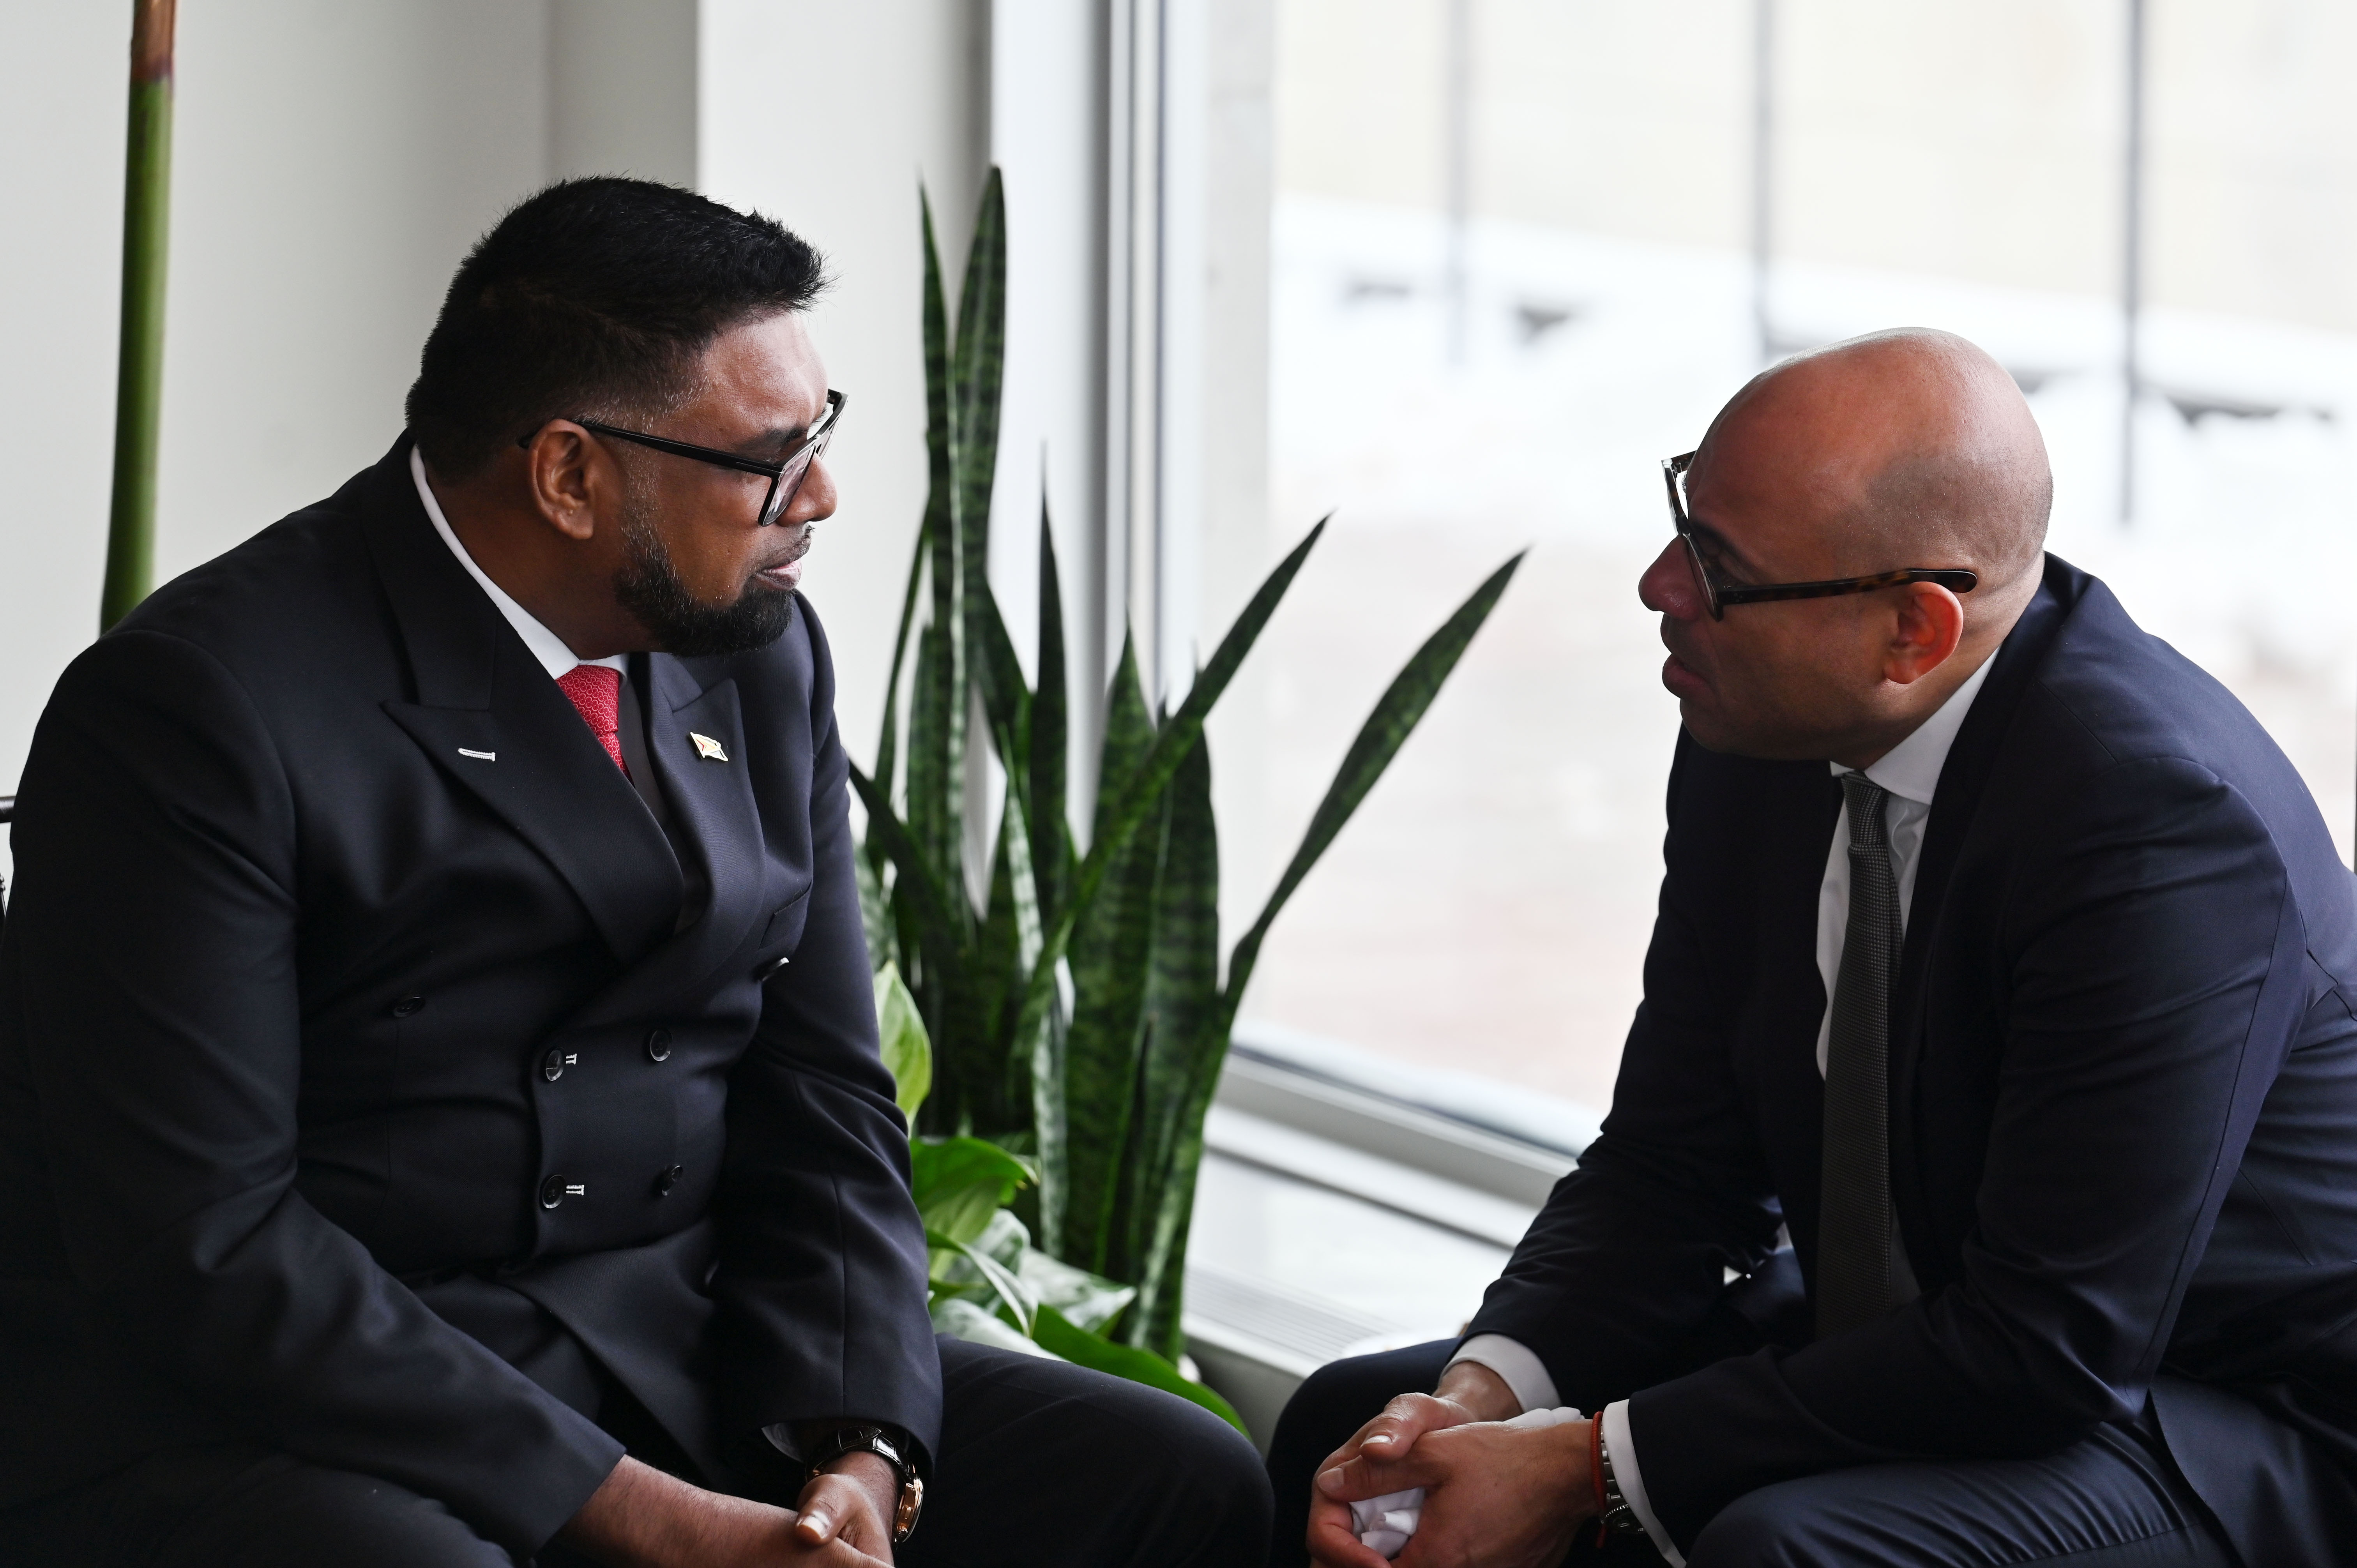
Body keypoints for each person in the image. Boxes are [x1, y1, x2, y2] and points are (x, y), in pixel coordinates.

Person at [0, 177, 1269, 1568]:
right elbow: (210, 1245)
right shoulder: (196, 710)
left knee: (1167, 1478)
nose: (822, 495)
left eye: (821, 434)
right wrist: (646, 1518)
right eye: (771, 457)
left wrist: (862, 1442)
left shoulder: (759, 646)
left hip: (675, 1347)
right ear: (569, 473)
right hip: (294, 1408)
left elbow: (828, 1090)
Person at [1268, 328, 2357, 1567]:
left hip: (2219, 1414)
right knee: (1347, 1429)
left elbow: (2050, 1346)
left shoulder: (2158, 829)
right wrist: (1474, 1406)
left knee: (1783, 1549)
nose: (1658, 586)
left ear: (1915, 632)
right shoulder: (1763, 726)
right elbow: (1677, 1168)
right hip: (1929, 1332)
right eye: (1684, 516)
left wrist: (1581, 1469)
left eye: (1718, 568)